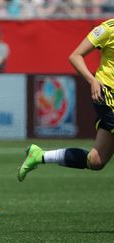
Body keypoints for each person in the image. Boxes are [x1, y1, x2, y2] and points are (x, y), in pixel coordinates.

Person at [18, 18, 114, 181]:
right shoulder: (108, 29)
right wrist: (92, 80)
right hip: (107, 93)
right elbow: (75, 56)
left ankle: (39, 156)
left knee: (96, 160)